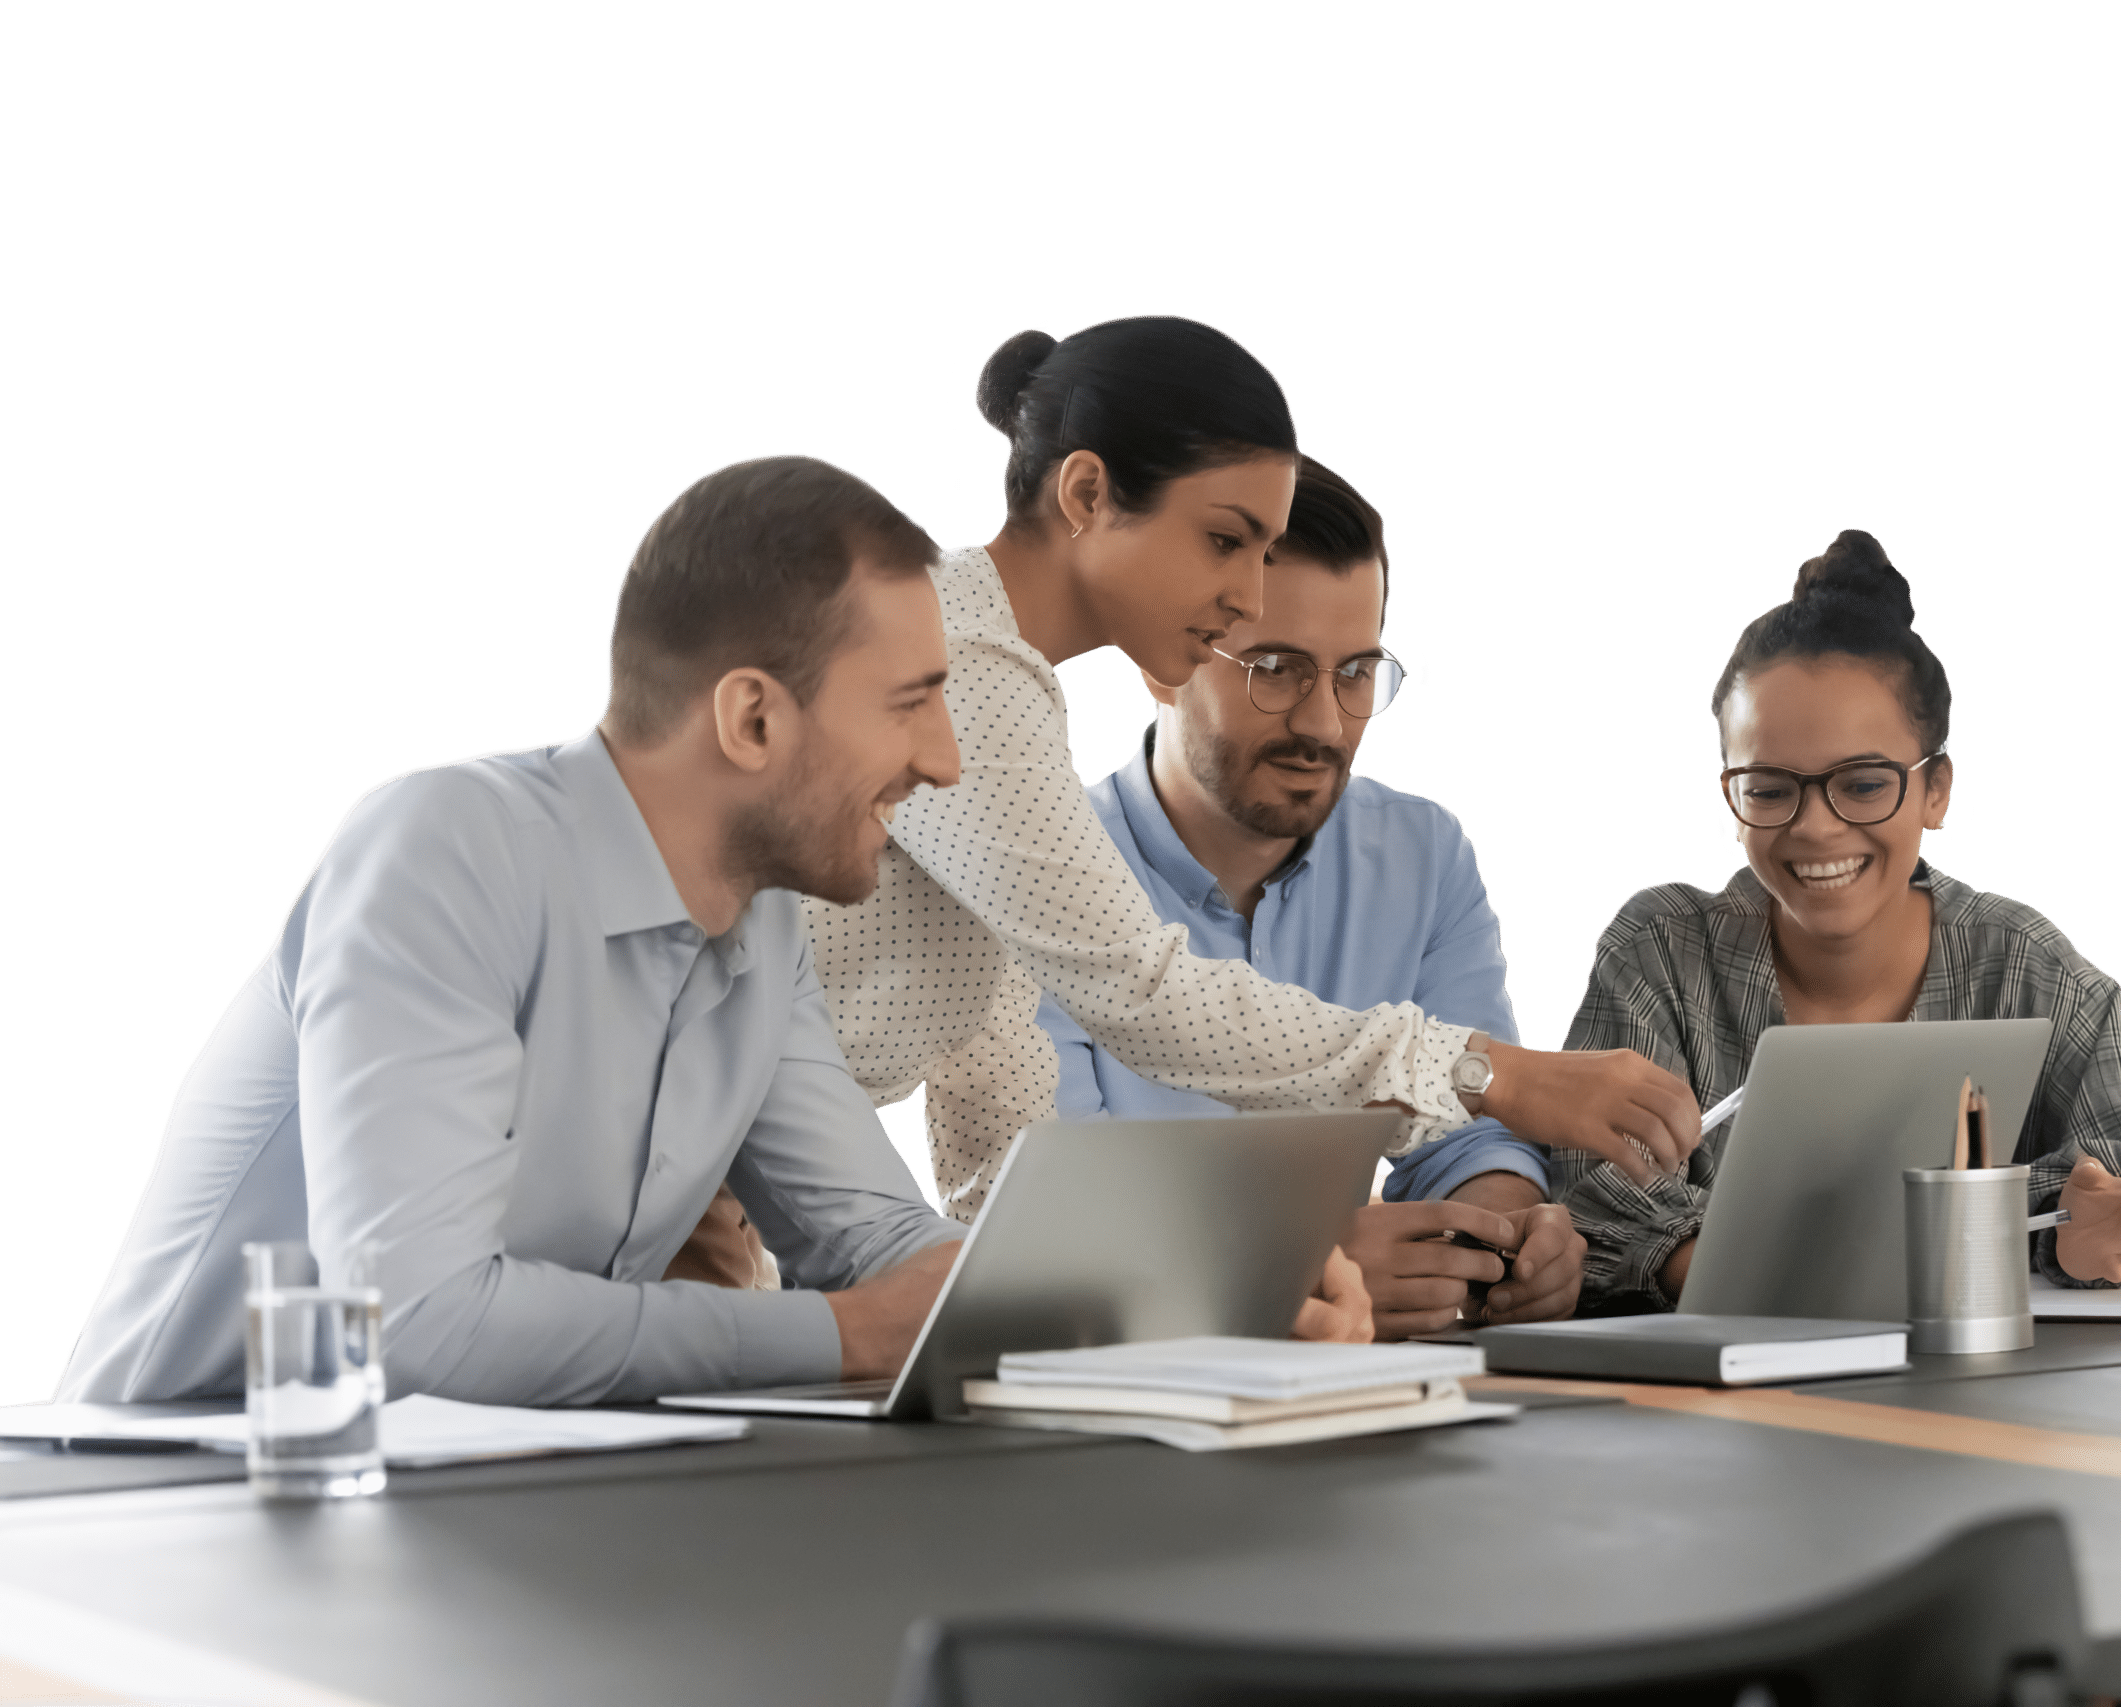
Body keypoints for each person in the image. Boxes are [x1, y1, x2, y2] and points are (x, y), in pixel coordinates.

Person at [58, 455, 975, 1405]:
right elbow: (416, 1321)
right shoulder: (445, 852)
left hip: (472, 1491)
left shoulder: (764, 923)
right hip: (183, 1493)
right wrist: (839, 1333)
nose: (944, 761)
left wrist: (1049, 1301)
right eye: (910, 702)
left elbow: (879, 1246)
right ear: (749, 719)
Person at [802, 316, 1699, 1212]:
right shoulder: (957, 663)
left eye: (1264, 553)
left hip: (739, 1191)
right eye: (1226, 541)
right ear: (1085, 495)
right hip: (678, 1166)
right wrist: (1486, 1073)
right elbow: (1140, 993)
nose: (1249, 596)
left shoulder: (1011, 704)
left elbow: (995, 1120)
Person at [1555, 528, 2121, 1311]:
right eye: (1768, 788)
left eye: (1864, 784)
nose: (1817, 827)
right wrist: (1991, 1220)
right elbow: (1582, 1198)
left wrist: (2070, 1222)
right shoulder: (1662, 951)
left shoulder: (2020, 961)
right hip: (1715, 1410)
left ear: (1936, 790)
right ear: (1728, 798)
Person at [1029, 455, 1586, 1338]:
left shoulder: (1423, 854)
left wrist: (1500, 1240)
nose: (1325, 723)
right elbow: (1045, 1220)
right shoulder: (1041, 872)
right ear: (1165, 661)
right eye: (1276, 668)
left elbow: (1469, 1131)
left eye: (1356, 673)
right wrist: (1297, 1266)